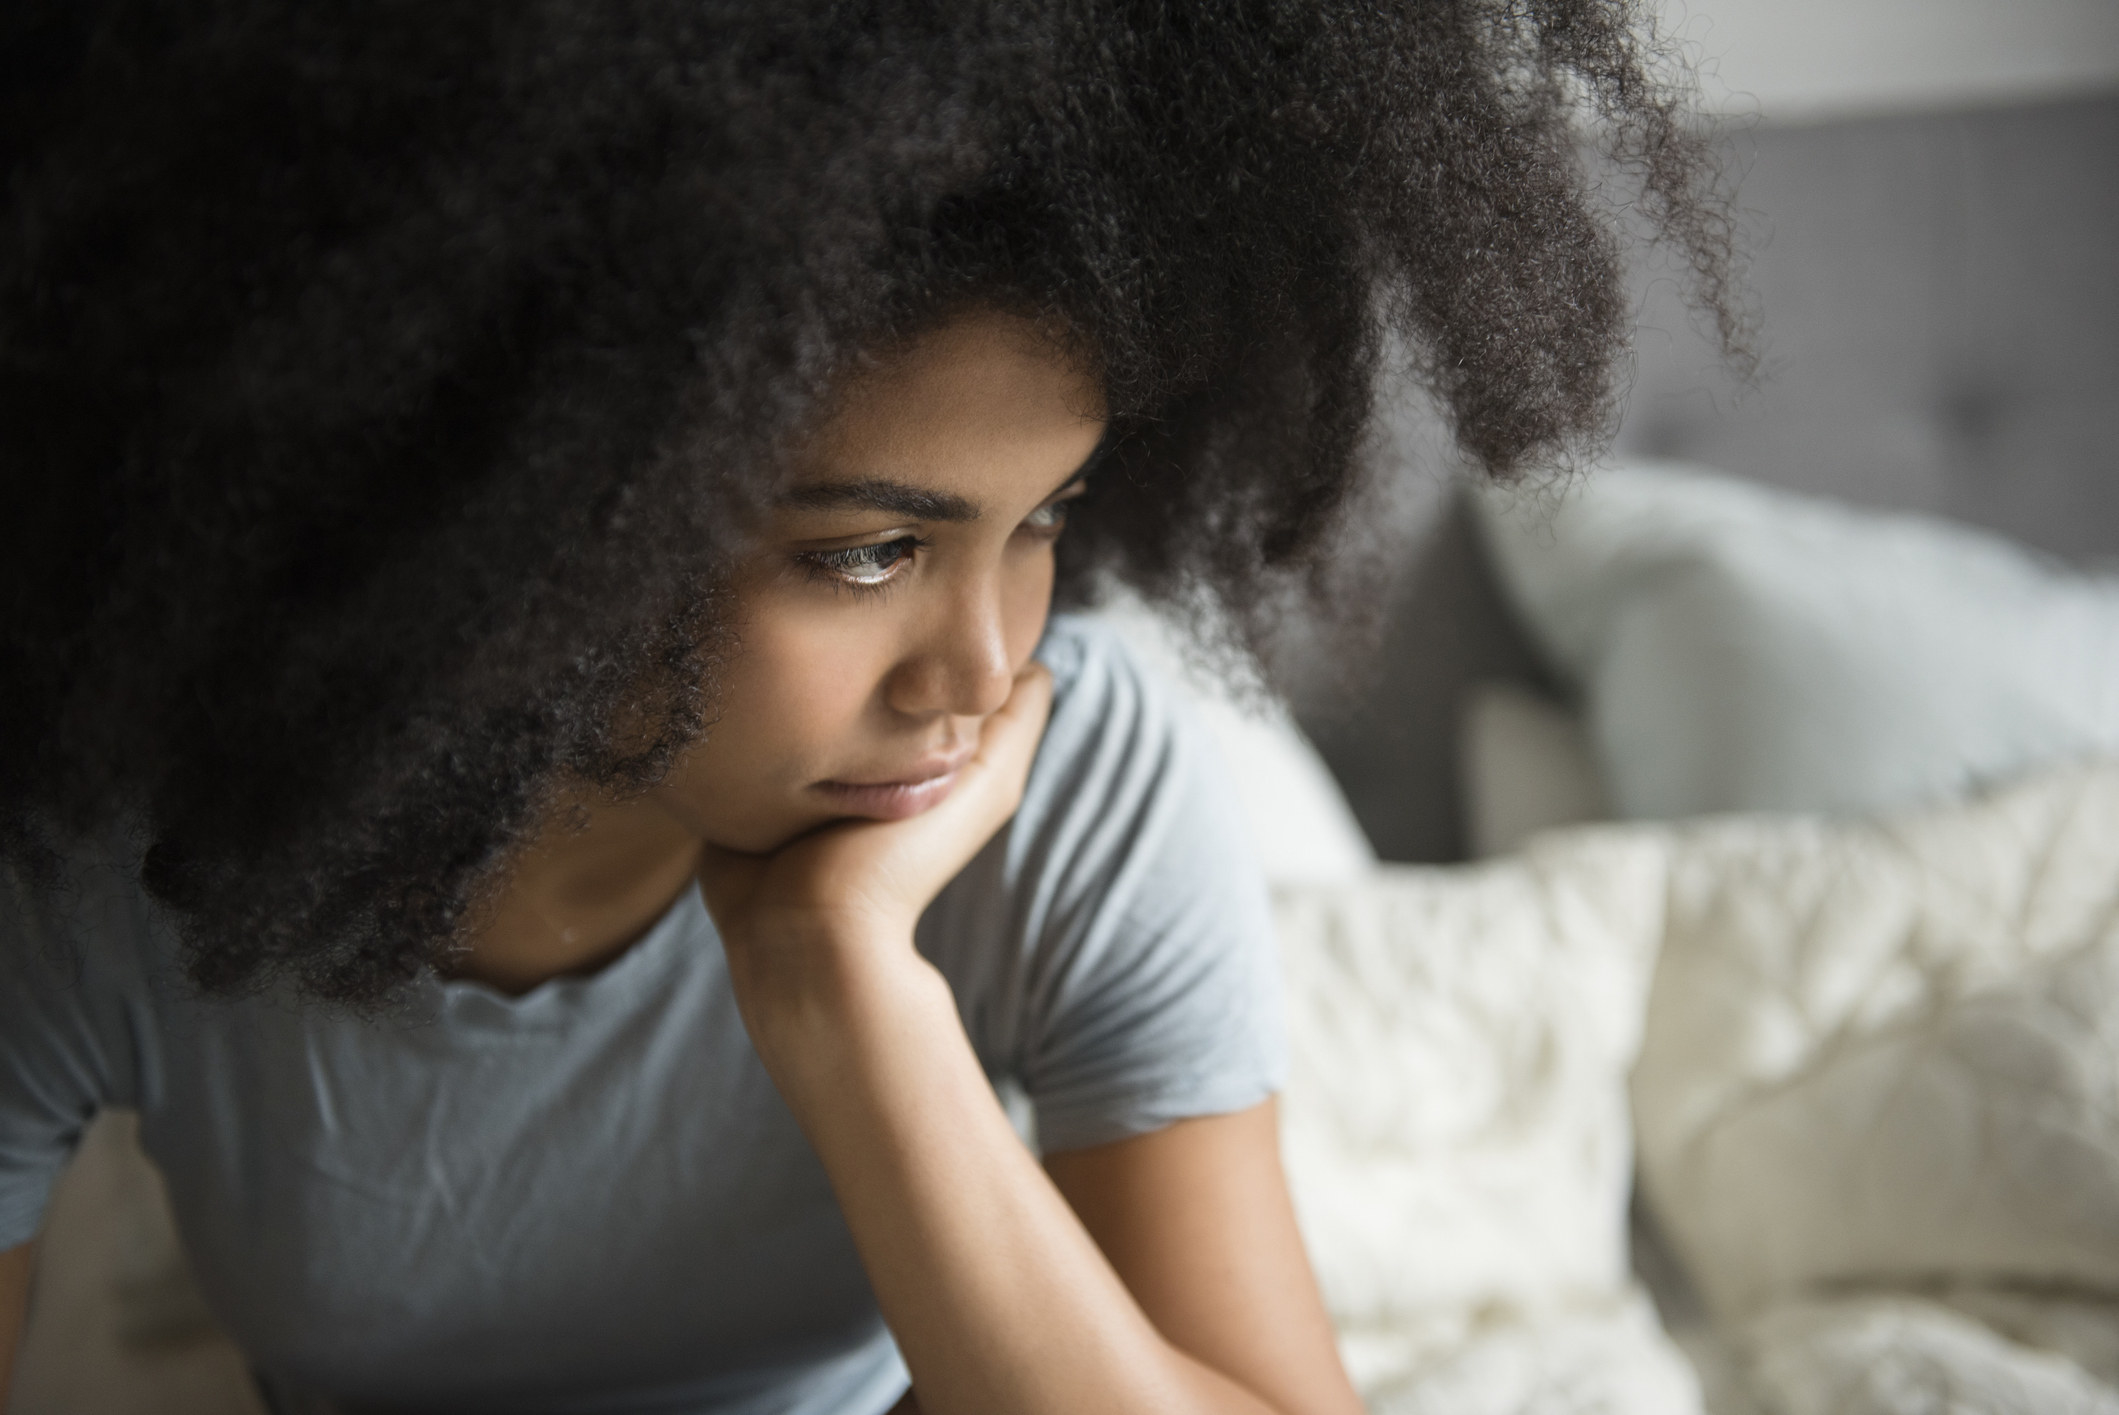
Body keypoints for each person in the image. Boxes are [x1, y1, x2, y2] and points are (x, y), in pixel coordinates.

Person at [0, 3, 1733, 1412]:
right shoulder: (108, 858)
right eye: (864, 554)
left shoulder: (1080, 762)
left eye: (1041, 524)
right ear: (525, 519)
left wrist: (847, 1001)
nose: (980, 672)